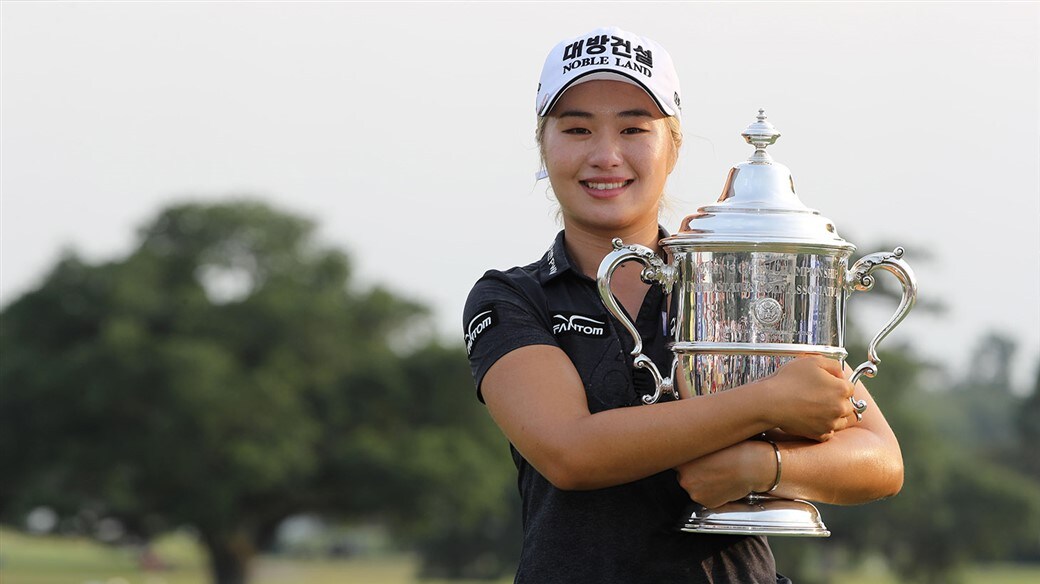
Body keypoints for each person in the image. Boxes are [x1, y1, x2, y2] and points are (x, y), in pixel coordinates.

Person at [462, 26, 903, 584]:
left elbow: (880, 460)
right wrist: (766, 403)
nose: (605, 155)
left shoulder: (733, 278)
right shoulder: (513, 297)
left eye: (633, 128)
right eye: (576, 129)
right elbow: (571, 453)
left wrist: (766, 466)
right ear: (544, 146)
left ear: (673, 146)